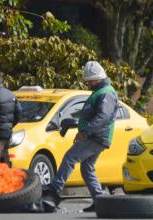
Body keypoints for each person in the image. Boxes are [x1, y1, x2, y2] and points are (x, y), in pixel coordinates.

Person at [43, 61, 119, 212]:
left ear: (98, 78)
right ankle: (99, 201)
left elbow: (103, 116)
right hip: (97, 136)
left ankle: (55, 188)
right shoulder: (100, 91)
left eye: (90, 80)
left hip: (96, 136)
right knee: (87, 169)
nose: (88, 83)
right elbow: (93, 113)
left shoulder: (106, 93)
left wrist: (85, 132)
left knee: (70, 157)